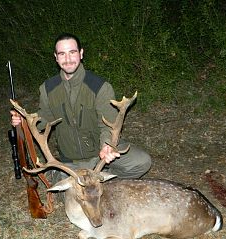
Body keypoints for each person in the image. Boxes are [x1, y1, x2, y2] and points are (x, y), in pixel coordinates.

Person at [11, 33, 151, 180]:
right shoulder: (47, 88)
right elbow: (44, 119)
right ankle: (80, 177)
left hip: (100, 154)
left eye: (72, 52)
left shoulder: (100, 87)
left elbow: (107, 125)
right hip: (71, 161)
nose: (68, 59)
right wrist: (24, 121)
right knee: (75, 196)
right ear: (56, 57)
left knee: (141, 162)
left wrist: (107, 146)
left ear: (81, 53)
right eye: (62, 54)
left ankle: (104, 181)